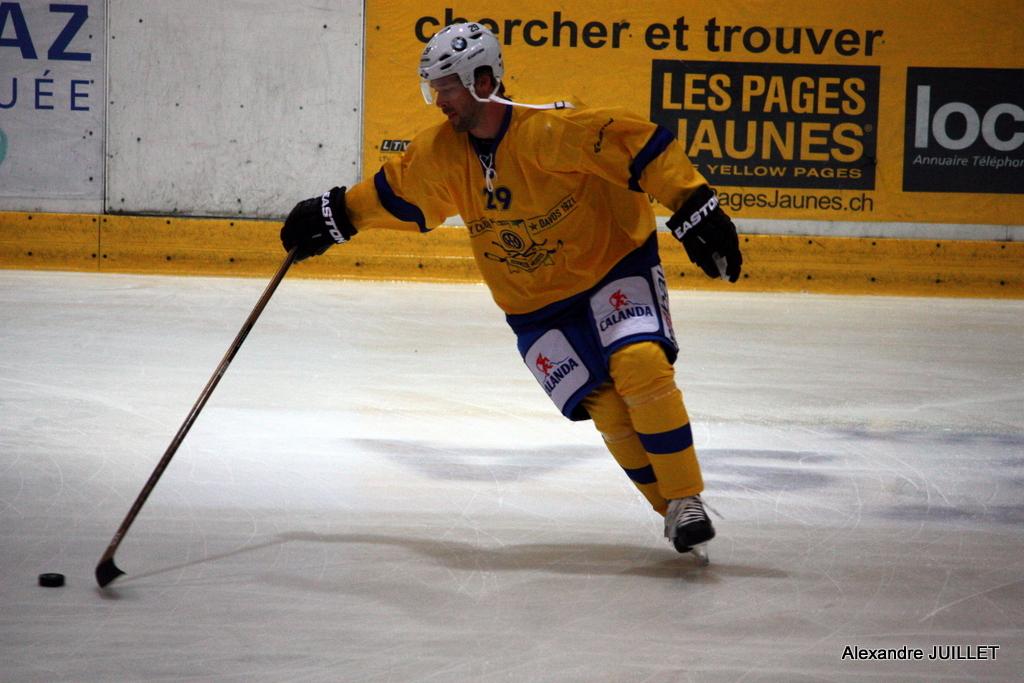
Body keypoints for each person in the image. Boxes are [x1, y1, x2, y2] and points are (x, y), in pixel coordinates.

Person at [280, 23, 742, 563]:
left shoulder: (551, 130)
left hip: (612, 264)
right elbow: (395, 192)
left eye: (446, 87)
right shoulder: (440, 153)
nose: (439, 102)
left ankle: (687, 497)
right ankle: (670, 510)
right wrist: (334, 214)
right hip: (533, 305)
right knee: (610, 409)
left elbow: (637, 146)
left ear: (481, 79)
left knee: (640, 364)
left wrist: (692, 204)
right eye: (433, 89)